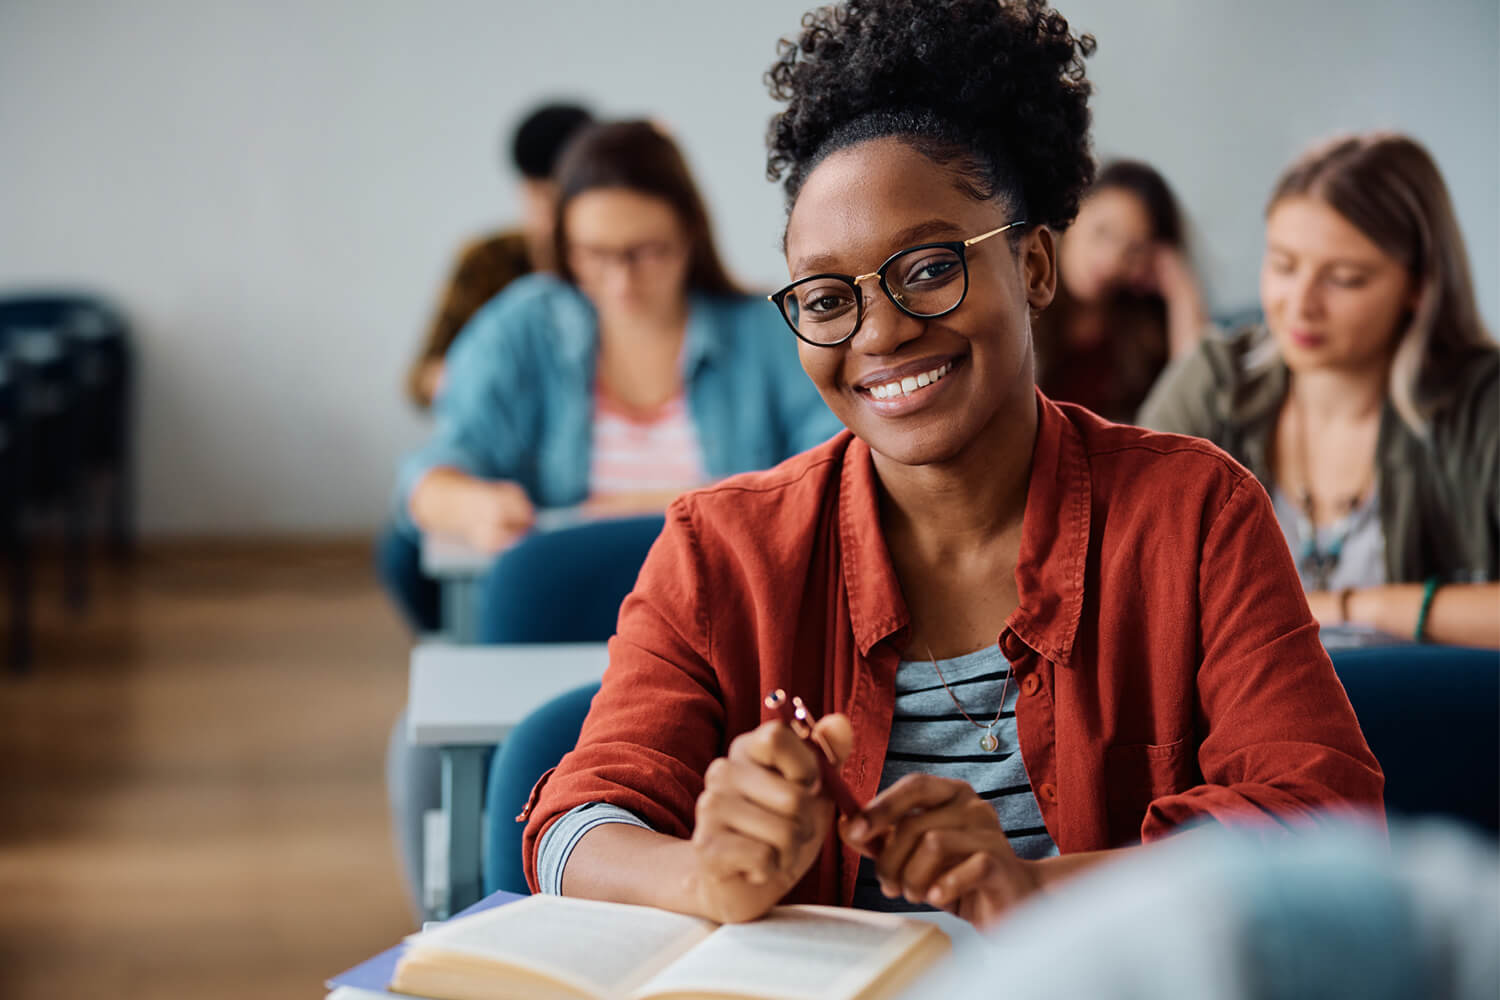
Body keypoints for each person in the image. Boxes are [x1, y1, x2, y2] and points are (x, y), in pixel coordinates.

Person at [521, 0, 1383, 931]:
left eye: (930, 267)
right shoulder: (723, 548)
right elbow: (572, 826)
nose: (880, 332)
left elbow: (1325, 821)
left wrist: (1034, 888)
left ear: (1037, 267)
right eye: (826, 295)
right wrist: (704, 874)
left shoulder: (1194, 513)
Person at [381, 119, 841, 912]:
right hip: (561, 624)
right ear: (564, 247)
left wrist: (640, 508)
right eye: (596, 256)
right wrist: (476, 501)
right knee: (421, 750)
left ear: (690, 237)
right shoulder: (526, 324)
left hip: (729, 635)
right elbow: (430, 473)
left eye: (647, 252)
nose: (622, 279)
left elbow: (837, 473)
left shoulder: (760, 335)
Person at [1139, 132, 1498, 649]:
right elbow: (1112, 566)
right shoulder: (1214, 381)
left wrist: (1355, 607)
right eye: (1284, 265)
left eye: (1346, 279)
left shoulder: (1483, 402)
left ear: (1420, 286)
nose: (1300, 304)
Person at [404, 102, 594, 410]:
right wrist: (478, 377)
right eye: (538, 194)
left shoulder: (608, 268)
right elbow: (420, 379)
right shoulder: (486, 259)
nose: (550, 216)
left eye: (562, 198)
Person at [1032, 160, 1208, 422]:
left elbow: (1196, 408)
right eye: (1102, 232)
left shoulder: (1141, 338)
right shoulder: (1022, 302)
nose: (1111, 260)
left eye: (1134, 249)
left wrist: (1181, 293)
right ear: (1071, 215)